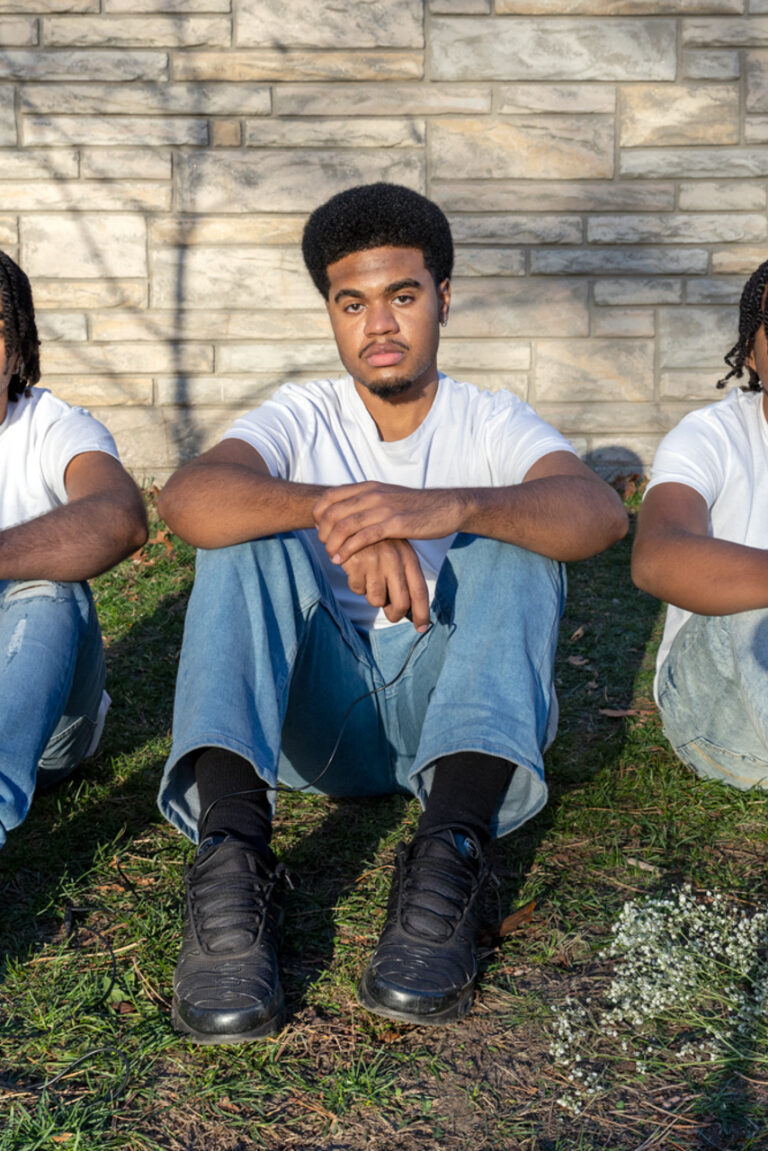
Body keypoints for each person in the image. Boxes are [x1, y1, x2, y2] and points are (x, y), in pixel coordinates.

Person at [157, 182, 628, 1044]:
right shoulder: (304, 413)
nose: (379, 324)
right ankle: (230, 857)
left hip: (451, 721)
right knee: (238, 533)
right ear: (332, 314)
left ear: (443, 298)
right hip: (317, 720)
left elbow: (598, 515)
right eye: (353, 302)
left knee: (522, 538)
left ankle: (449, 856)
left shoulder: (489, 417)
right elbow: (187, 496)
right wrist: (343, 510)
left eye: (402, 296)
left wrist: (447, 506)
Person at [0, 251, 148, 850]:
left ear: (17, 350)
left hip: (46, 716)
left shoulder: (55, 427)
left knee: (52, 585)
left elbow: (120, 519)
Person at [633, 257, 768, 791]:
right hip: (713, 699)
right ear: (752, 353)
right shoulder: (709, 437)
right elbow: (656, 556)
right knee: (753, 613)